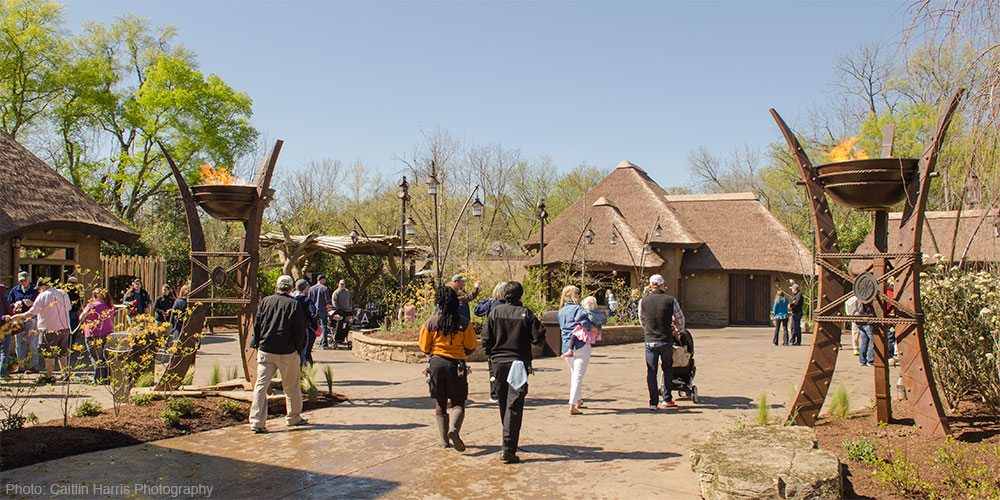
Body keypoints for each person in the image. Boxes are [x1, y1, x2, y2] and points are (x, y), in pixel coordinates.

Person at [480, 281, 546, 464]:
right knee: (514, 405)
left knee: (503, 402)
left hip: (499, 363)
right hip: (517, 362)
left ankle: (507, 442)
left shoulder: (495, 313)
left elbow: (485, 339)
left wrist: (492, 354)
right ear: (520, 295)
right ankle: (508, 447)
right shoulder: (526, 314)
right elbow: (538, 336)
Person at [419, 286, 478, 451]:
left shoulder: (430, 323)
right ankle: (454, 429)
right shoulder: (464, 323)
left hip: (436, 365)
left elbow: (424, 347)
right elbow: (471, 346)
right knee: (458, 401)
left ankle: (443, 440)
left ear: (438, 303)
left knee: (440, 401)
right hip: (456, 365)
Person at [249, 275, 308, 433]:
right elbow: (299, 331)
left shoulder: (266, 302)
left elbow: (258, 324)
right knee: (291, 387)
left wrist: (256, 343)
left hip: (266, 350)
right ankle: (293, 417)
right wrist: (298, 348)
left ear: (277, 287)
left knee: (260, 386)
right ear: (290, 288)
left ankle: (257, 421)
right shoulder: (294, 305)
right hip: (287, 352)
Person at [10, 277, 72, 384]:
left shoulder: (43, 295)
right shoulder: (63, 293)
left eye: (39, 288)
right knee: (62, 352)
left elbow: (32, 312)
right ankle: (65, 373)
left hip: (49, 328)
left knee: (49, 352)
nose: (38, 290)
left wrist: (18, 316)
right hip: (64, 327)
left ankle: (49, 375)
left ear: (43, 287)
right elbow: (69, 308)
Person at [639, 274, 686, 410]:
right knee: (667, 369)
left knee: (651, 371)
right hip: (665, 339)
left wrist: (648, 329)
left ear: (651, 285)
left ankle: (653, 402)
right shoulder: (670, 300)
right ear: (662, 284)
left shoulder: (644, 301)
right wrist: (678, 330)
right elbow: (680, 318)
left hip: (650, 340)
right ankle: (667, 398)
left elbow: (642, 320)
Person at [563, 294, 605, 415]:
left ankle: (578, 399)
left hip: (566, 346)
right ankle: (572, 405)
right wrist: (595, 329)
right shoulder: (579, 310)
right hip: (581, 344)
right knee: (578, 376)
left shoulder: (561, 311)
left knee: (574, 373)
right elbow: (583, 321)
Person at [473, 282, 507, 403]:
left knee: (493, 368)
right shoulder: (509, 305)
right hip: (507, 339)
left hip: (493, 339)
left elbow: (477, 310)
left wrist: (486, 301)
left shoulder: (491, 304)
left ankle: (494, 394)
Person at [80, 288, 116, 383]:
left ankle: (99, 379)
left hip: (93, 333)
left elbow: (82, 316)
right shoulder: (109, 306)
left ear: (95, 296)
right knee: (106, 356)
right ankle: (108, 377)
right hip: (107, 332)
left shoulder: (92, 306)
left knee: (96, 357)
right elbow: (113, 315)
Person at [6, 273, 39, 374]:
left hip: (31, 318)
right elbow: (9, 303)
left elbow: (40, 304)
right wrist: (15, 305)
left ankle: (34, 366)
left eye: (24, 280)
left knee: (33, 343)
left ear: (29, 279)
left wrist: (32, 304)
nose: (23, 282)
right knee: (19, 343)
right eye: (21, 281)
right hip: (19, 318)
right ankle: (21, 366)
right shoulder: (15, 290)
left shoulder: (35, 289)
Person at [292, 279, 317, 365]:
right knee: (303, 351)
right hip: (303, 328)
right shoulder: (306, 300)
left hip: (291, 328)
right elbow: (313, 313)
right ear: (305, 288)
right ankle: (301, 373)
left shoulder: (291, 299)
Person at [308, 275, 332, 349]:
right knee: (324, 326)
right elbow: (327, 300)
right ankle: (324, 344)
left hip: (313, 310)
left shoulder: (311, 289)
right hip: (322, 309)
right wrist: (328, 309)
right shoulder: (324, 288)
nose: (325, 281)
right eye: (324, 279)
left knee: (312, 327)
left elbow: (308, 300)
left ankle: (310, 344)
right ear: (321, 280)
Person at [331, 279, 353, 348]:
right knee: (339, 325)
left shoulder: (347, 292)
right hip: (340, 312)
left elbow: (350, 300)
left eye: (343, 284)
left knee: (347, 325)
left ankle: (343, 337)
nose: (342, 285)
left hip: (347, 312)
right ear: (339, 284)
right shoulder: (336, 292)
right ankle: (337, 338)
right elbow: (334, 301)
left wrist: (350, 307)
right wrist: (337, 309)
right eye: (341, 284)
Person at [854, 300, 875, 367]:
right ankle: (871, 360)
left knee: (864, 342)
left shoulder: (855, 300)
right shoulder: (868, 300)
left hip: (859, 322)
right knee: (874, 341)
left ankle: (862, 360)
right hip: (867, 322)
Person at [0, 284, 13, 377]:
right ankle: (3, 372)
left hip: (5, 326)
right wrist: (4, 317)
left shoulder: (4, 300)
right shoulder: (2, 301)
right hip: (3, 327)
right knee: (5, 350)